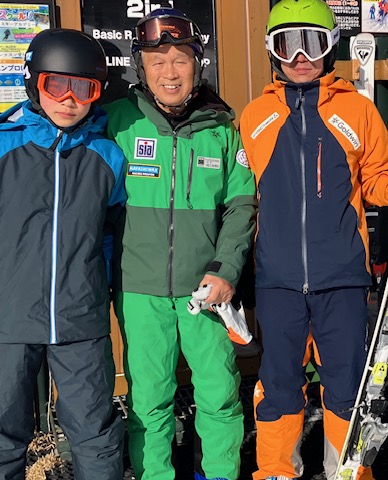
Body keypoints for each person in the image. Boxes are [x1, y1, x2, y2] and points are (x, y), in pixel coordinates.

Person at [238, 1, 388, 479]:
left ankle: (348, 471)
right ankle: (277, 469)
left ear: (331, 45)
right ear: (272, 51)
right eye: (286, 44)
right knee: (278, 384)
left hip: (342, 277)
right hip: (277, 281)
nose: (299, 57)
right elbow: (239, 196)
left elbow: (377, 178)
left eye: (311, 43)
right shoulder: (254, 116)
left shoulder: (356, 109)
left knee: (347, 385)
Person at [103, 7, 256, 480]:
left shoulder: (221, 127)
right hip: (139, 290)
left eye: (180, 60)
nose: (169, 72)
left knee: (219, 394)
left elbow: (241, 206)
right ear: (141, 67)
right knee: (149, 402)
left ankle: (220, 475)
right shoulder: (117, 121)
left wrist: (225, 270)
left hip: (204, 291)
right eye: (157, 61)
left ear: (197, 65)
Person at [0, 29, 125, 480]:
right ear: (34, 83)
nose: (69, 100)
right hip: (9, 317)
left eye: (83, 89)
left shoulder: (106, 157)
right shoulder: (6, 146)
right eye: (57, 85)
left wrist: (98, 284)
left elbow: (111, 232)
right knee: (3, 429)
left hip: (79, 320)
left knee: (94, 431)